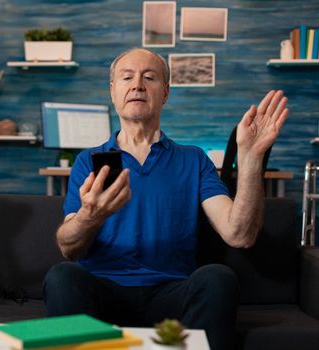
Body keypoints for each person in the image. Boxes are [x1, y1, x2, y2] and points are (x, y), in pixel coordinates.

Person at [43, 48, 289, 350]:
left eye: (149, 77)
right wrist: (90, 216)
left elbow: (239, 234)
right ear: (113, 91)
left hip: (170, 295)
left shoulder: (194, 160)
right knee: (62, 276)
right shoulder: (88, 161)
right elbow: (69, 247)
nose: (137, 85)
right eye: (127, 77)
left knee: (218, 278)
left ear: (166, 93)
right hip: (104, 291)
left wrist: (251, 159)